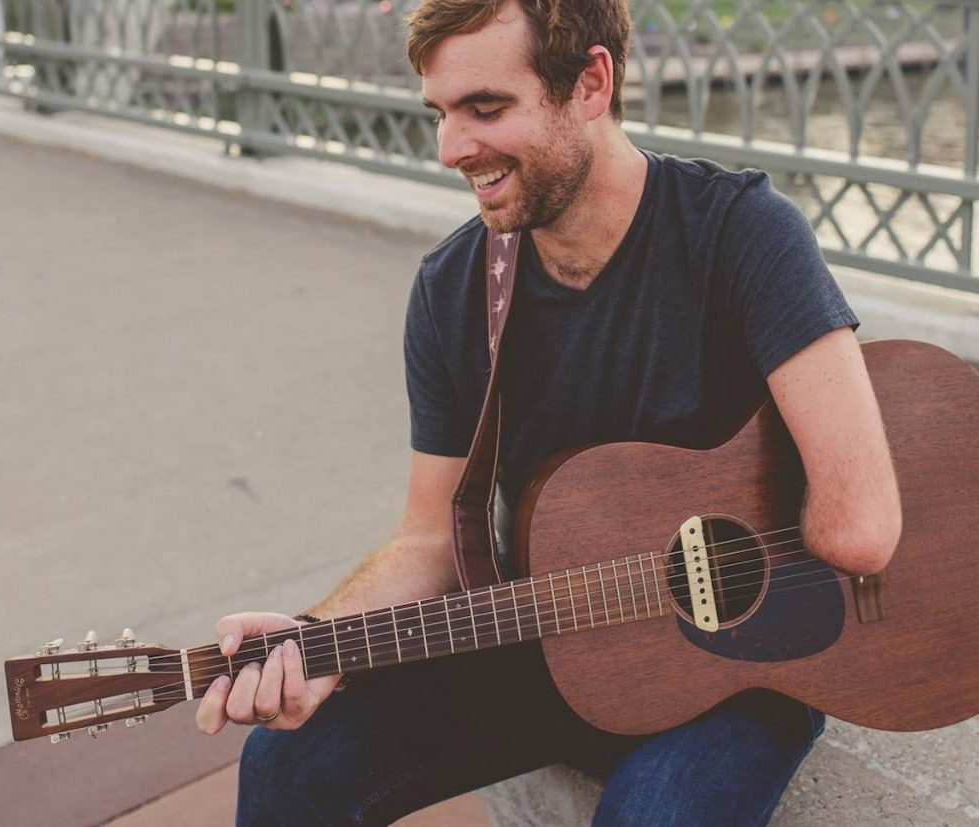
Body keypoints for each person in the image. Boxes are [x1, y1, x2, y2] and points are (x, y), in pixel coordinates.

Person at [195, 1, 902, 824]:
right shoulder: (453, 292)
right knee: (286, 759)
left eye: (485, 109)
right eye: (442, 113)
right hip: (550, 647)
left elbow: (864, 528)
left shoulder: (743, 236)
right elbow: (429, 541)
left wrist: (729, 564)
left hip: (741, 669)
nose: (452, 148)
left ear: (592, 84)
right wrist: (317, 638)